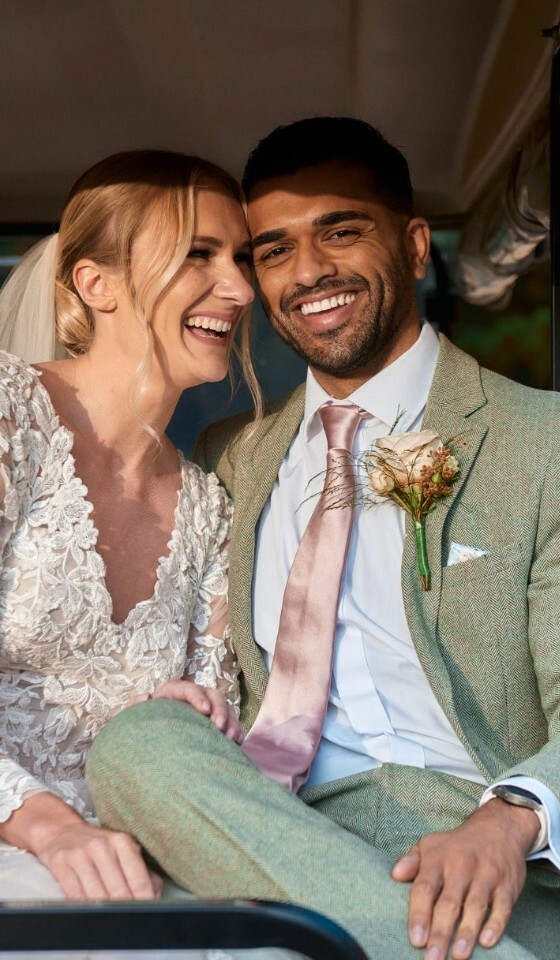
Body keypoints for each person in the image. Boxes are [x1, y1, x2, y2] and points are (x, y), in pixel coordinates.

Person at [87, 119, 560, 960]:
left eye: (341, 232)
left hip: (471, 852)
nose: (307, 271)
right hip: (269, 827)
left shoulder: (549, 440)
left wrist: (511, 819)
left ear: (417, 246)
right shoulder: (230, 457)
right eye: (273, 251)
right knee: (138, 741)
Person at [0, 149, 298, 960]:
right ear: (97, 285)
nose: (240, 290)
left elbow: (204, 732)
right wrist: (51, 830)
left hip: (144, 855)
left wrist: (200, 718)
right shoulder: (8, 419)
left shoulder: (210, 505)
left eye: (240, 257)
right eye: (198, 255)